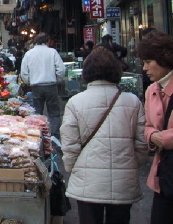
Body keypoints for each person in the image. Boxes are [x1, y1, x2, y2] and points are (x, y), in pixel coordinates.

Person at [60, 48, 148, 224]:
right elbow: (142, 142)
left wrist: (72, 168)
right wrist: (131, 163)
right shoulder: (132, 101)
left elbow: (70, 144)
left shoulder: (75, 102)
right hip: (123, 180)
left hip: (88, 181)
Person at [136, 30, 173, 224]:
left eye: (148, 62)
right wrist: (151, 136)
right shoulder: (152, 89)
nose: (145, 68)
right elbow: (147, 125)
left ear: (164, 58)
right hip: (164, 174)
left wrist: (163, 139)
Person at [20, 32, 65, 139]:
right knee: (54, 113)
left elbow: (24, 73)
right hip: (51, 85)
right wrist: (57, 80)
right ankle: (54, 136)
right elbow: (61, 69)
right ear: (47, 41)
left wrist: (29, 82)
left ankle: (38, 135)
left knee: (37, 113)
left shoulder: (29, 54)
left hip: (36, 87)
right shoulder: (52, 52)